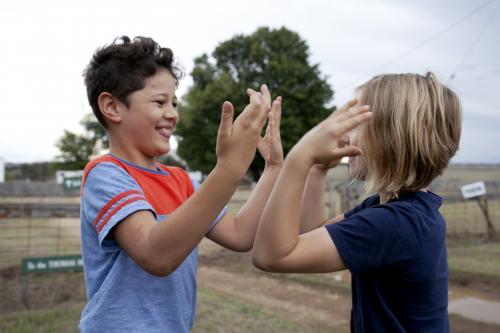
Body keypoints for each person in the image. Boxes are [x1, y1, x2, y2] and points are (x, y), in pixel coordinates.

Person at [79, 36, 283, 332]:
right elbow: (156, 254)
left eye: (174, 103)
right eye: (160, 102)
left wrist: (273, 169)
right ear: (112, 107)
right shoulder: (105, 174)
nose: (173, 114)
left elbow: (240, 235)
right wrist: (229, 168)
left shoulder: (182, 181)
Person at [253, 73, 462, 332]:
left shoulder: (394, 223)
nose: (346, 136)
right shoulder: (393, 210)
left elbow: (270, 256)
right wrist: (317, 169)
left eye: (357, 125)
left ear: (390, 139)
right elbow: (312, 235)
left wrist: (300, 157)